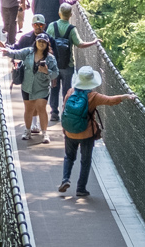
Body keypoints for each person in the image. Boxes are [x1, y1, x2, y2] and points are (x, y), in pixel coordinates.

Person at [58, 66, 137, 196]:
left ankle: (65, 179)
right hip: (86, 133)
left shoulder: (70, 91)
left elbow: (64, 109)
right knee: (85, 161)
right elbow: (110, 100)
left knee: (69, 157)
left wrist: (65, 128)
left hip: (70, 132)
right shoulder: (93, 96)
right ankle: (81, 189)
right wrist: (126, 96)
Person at [0, 34, 58, 142]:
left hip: (42, 87)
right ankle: (27, 131)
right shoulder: (28, 52)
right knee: (29, 109)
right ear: (36, 42)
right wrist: (6, 51)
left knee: (41, 108)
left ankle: (45, 133)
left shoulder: (50, 58)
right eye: (39, 41)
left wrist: (47, 71)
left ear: (47, 44)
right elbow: (16, 53)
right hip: (27, 86)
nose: (41, 44)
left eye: (44, 42)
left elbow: (55, 73)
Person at [47, 2, 96, 121]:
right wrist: (94, 42)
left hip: (54, 64)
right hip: (68, 65)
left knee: (54, 87)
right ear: (71, 15)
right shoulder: (72, 29)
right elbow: (80, 44)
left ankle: (54, 112)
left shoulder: (52, 26)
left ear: (59, 13)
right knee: (67, 89)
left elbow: (46, 41)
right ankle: (65, 111)